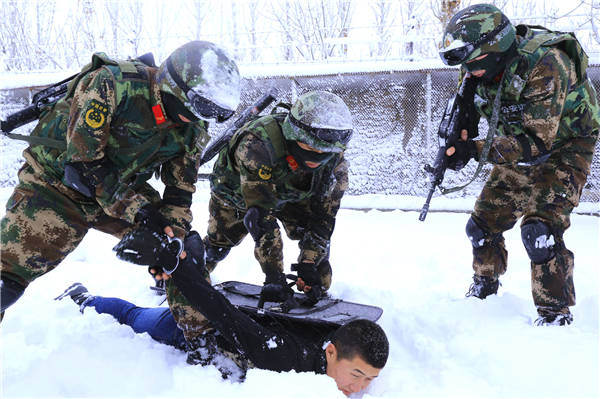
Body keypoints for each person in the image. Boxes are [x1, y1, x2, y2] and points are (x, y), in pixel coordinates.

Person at [0, 41, 241, 320]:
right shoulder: (112, 86)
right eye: (202, 108)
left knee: (183, 254)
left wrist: (171, 237)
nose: (204, 118)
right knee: (7, 282)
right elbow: (82, 167)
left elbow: (180, 193)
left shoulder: (194, 128)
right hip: (56, 185)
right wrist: (142, 211)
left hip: (121, 186)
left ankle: (202, 340)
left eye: (214, 112)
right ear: (176, 88)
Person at [56, 232, 389, 397]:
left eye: (369, 380)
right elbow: (220, 311)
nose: (359, 387)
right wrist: (178, 268)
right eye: (357, 374)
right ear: (332, 352)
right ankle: (84, 298)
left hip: (245, 323)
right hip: (198, 329)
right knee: (135, 318)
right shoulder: (283, 356)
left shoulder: (333, 346)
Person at [438, 4, 600, 325]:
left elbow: (537, 144)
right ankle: (484, 292)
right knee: (481, 226)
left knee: (539, 230)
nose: (467, 69)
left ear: (493, 49)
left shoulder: (546, 64)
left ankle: (555, 316)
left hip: (567, 142)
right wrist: (458, 138)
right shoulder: (476, 70)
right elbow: (471, 111)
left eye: (472, 60)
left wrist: (473, 149)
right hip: (518, 141)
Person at [160, 90, 353, 343]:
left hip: (293, 195)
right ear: (295, 135)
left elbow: (324, 220)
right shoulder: (258, 143)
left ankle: (315, 290)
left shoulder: (335, 165)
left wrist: (308, 262)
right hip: (237, 194)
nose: (317, 157)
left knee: (317, 259)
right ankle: (183, 282)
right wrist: (273, 275)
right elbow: (260, 217)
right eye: (310, 148)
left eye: (323, 152)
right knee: (217, 246)